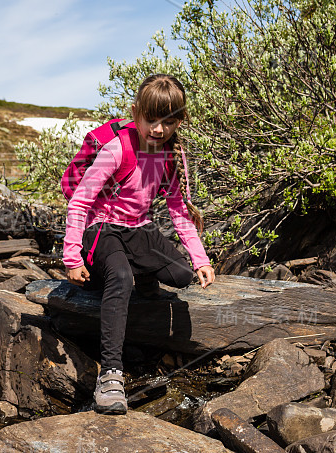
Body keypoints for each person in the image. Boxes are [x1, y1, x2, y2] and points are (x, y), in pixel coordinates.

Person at [63, 74, 215, 415]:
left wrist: (200, 259)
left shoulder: (169, 156)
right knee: (120, 278)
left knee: (180, 276)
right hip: (101, 230)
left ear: (179, 122)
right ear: (136, 112)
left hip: (137, 229)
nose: (158, 129)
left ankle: (138, 273)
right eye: (151, 120)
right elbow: (80, 203)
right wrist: (72, 258)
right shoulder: (118, 148)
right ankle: (111, 376)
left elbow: (177, 211)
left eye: (169, 122)